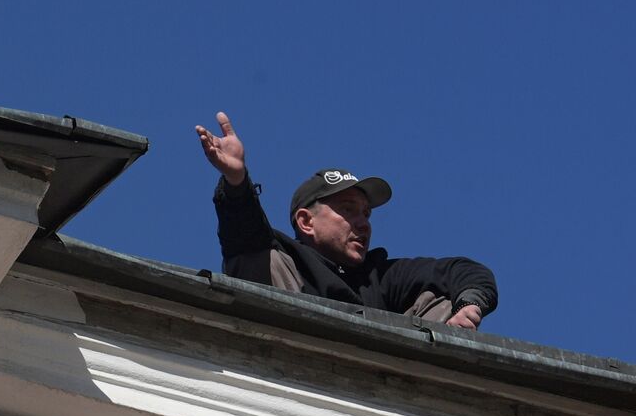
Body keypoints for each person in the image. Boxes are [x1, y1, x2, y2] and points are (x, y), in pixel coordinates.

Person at [195, 112, 497, 329]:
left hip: (370, 380)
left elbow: (463, 270)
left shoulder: (378, 277)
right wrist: (236, 180)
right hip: (287, 353)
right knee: (261, 258)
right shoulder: (286, 258)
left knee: (441, 299)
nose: (363, 223)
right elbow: (244, 227)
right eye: (348, 210)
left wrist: (467, 304)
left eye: (366, 213)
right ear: (306, 222)